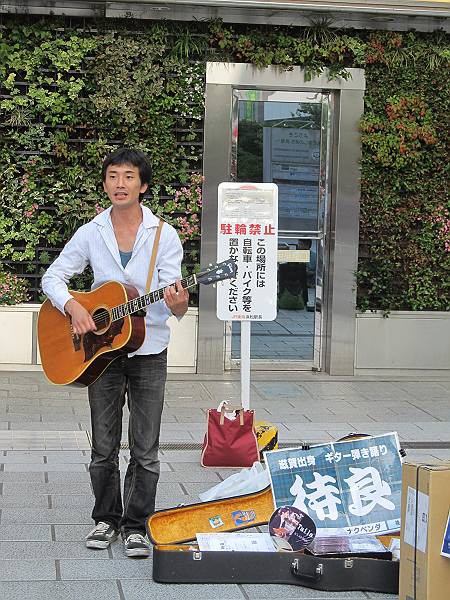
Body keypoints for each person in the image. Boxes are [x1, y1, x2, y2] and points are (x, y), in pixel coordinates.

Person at [42, 148, 189, 558]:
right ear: (105, 183)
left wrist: (179, 301)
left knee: (145, 447)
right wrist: (73, 307)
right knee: (103, 446)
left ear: (143, 186)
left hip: (149, 349)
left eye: (128, 177)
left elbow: (174, 301)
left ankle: (137, 525)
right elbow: (53, 277)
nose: (119, 184)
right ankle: (106, 519)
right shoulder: (92, 231)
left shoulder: (164, 235)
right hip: (101, 354)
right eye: (112, 176)